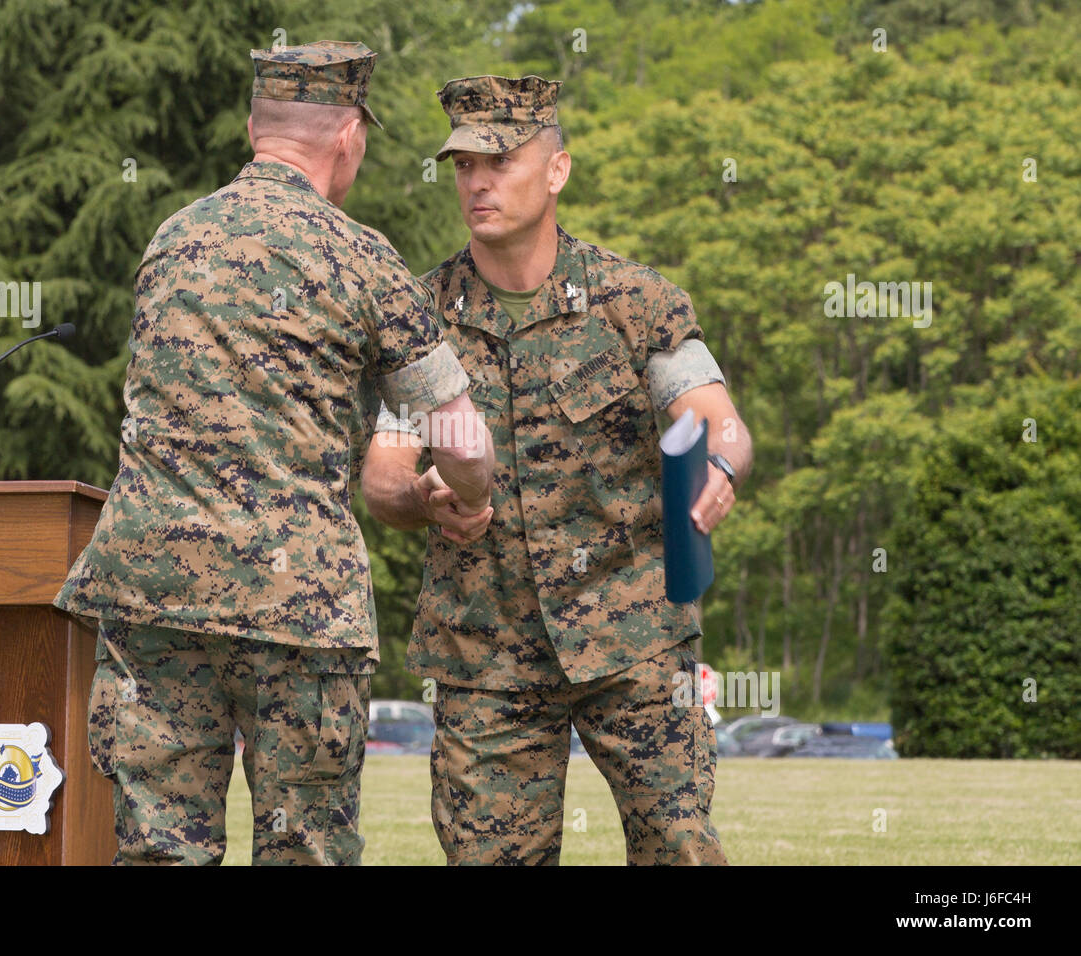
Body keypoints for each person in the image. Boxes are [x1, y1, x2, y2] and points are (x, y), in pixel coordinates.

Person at [54, 42, 494, 865]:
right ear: (349, 138)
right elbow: (461, 436)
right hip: (296, 609)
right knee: (306, 852)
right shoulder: (364, 258)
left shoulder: (173, 240)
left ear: (254, 127)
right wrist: (469, 494)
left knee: (157, 851)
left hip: (152, 597)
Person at [362, 74, 751, 865]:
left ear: (557, 169)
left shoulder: (634, 301)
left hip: (633, 636)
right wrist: (422, 496)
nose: (478, 182)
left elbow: (719, 420)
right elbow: (383, 476)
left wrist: (722, 467)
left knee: (681, 849)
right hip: (485, 653)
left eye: (499, 161)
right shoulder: (420, 318)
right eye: (464, 165)